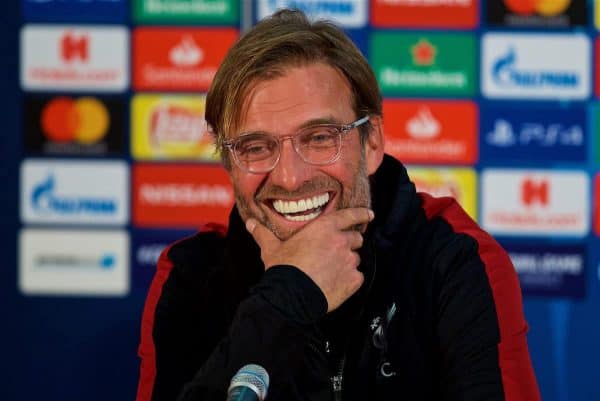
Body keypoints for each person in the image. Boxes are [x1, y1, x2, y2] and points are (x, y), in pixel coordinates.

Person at [135, 9, 540, 401]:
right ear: (229, 163)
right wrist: (287, 298)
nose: (290, 178)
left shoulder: (454, 260)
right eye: (256, 147)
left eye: (320, 137)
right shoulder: (189, 275)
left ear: (373, 142)